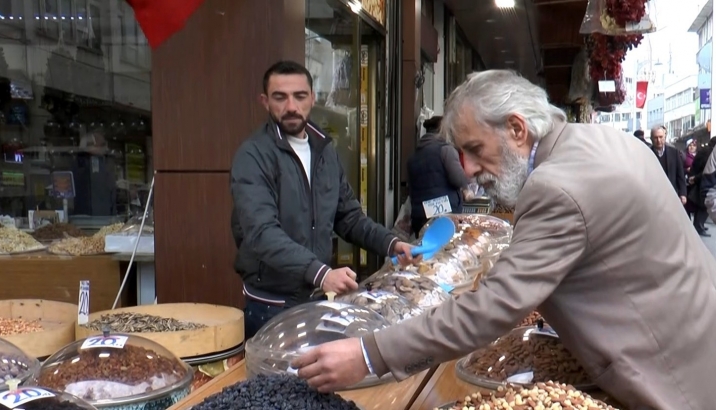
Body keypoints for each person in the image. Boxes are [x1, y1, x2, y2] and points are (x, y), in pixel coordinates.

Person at [292, 70, 716, 409]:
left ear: (516, 128)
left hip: (672, 378)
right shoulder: (602, 140)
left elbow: (493, 308)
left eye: (475, 149)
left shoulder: (557, 186)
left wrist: (370, 354)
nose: (470, 169)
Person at [230, 61, 414, 339]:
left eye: (300, 96)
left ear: (312, 98)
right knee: (279, 381)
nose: (291, 106)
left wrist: (391, 244)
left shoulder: (325, 150)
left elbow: (348, 217)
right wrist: (321, 272)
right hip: (272, 304)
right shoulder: (253, 155)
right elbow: (262, 233)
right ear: (265, 101)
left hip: (315, 297)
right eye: (280, 97)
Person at [407, 116, 471, 235]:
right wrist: (467, 183)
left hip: (420, 216)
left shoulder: (414, 157)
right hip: (445, 214)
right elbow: (458, 178)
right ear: (443, 130)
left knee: (428, 250)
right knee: (446, 250)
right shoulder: (445, 150)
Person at [650, 125, 687, 205]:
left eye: (660, 137)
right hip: (653, 196)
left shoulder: (674, 152)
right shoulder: (647, 153)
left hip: (671, 194)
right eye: (655, 137)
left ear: (665, 137)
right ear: (651, 139)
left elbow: (680, 174)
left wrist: (683, 193)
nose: (658, 140)